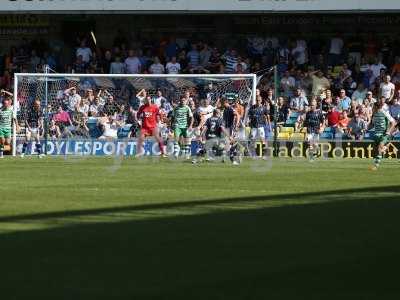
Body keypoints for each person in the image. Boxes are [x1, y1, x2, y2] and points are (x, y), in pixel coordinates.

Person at [370, 100, 397, 170]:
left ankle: (376, 166)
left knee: (380, 147)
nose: (372, 108)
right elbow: (372, 124)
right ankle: (385, 147)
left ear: (376, 107)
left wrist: (388, 131)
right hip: (376, 134)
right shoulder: (374, 114)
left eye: (373, 107)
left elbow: (393, 122)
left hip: (383, 134)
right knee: (376, 150)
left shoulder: (384, 113)